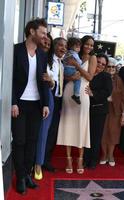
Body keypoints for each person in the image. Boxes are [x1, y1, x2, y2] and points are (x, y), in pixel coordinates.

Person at [11, 18, 49, 195]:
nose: (45, 36)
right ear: (32, 32)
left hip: (36, 104)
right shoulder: (16, 50)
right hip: (19, 103)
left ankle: (27, 175)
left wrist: (46, 104)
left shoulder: (42, 54)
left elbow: (43, 80)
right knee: (19, 142)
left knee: (32, 142)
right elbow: (8, 79)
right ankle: (19, 177)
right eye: (42, 32)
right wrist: (13, 102)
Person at [56, 35, 96, 174]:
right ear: (81, 44)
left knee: (81, 126)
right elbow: (62, 75)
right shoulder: (70, 55)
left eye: (92, 45)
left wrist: (77, 65)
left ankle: (79, 159)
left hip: (83, 94)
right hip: (69, 92)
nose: (89, 47)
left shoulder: (92, 58)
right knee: (68, 126)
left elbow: (90, 77)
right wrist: (71, 77)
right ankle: (68, 159)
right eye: (87, 44)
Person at [42, 38, 68, 172]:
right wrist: (52, 83)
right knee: (45, 132)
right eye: (60, 45)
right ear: (54, 46)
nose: (63, 48)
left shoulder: (61, 63)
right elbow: (46, 79)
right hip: (49, 99)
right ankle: (40, 161)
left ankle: (46, 160)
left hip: (58, 101)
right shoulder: (48, 60)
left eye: (65, 46)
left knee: (52, 133)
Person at [83, 53, 112, 169]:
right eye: (98, 62)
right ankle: (85, 159)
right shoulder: (87, 72)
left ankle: (93, 160)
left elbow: (107, 92)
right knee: (85, 135)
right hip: (85, 109)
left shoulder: (106, 76)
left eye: (103, 64)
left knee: (95, 136)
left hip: (99, 110)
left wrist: (93, 93)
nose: (100, 65)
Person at [34, 33, 56, 180]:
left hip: (47, 98)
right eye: (44, 43)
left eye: (49, 44)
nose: (46, 46)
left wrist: (51, 81)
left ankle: (38, 164)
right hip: (30, 99)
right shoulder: (30, 56)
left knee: (42, 133)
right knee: (30, 134)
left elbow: (54, 84)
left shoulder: (51, 62)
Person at [100, 57, 124, 166]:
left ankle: (111, 155)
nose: (111, 69)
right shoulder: (101, 77)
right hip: (102, 108)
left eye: (113, 67)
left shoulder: (119, 80)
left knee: (113, 133)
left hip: (115, 110)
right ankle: (104, 155)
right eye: (109, 67)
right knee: (103, 133)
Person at [63, 37, 82, 104]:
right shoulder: (73, 53)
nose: (78, 48)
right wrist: (80, 63)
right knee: (78, 80)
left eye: (79, 47)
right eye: (77, 46)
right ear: (71, 46)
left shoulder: (67, 53)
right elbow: (79, 62)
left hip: (66, 69)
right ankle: (76, 95)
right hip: (70, 69)